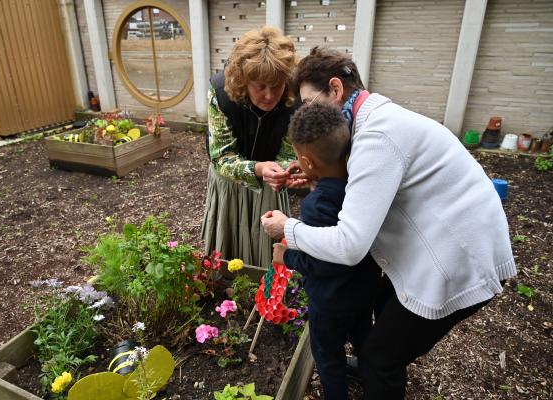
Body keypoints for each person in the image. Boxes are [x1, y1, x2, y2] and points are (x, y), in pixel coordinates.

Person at [261, 47, 517, 399]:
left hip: (462, 254)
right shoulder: (373, 118)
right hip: (449, 239)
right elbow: (370, 183)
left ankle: (377, 367)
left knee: (382, 356)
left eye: (310, 103)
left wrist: (288, 229)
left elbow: (350, 246)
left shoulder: (376, 136)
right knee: (382, 312)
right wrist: (315, 175)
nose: (309, 114)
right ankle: (373, 364)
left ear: (336, 90)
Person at [272, 102, 381, 400]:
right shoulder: (364, 187)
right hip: (364, 293)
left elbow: (325, 263)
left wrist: (287, 255)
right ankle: (373, 384)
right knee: (363, 339)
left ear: (305, 160)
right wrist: (314, 177)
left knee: (328, 356)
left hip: (330, 301)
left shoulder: (316, 205)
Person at [202, 26, 301, 268]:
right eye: (260, 86)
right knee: (226, 250)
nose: (269, 95)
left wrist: (282, 172)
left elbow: (289, 152)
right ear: (244, 80)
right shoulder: (220, 93)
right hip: (229, 184)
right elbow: (222, 157)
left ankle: (267, 292)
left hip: (269, 185)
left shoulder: (294, 98)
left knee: (266, 255)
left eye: (276, 86)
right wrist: (257, 168)